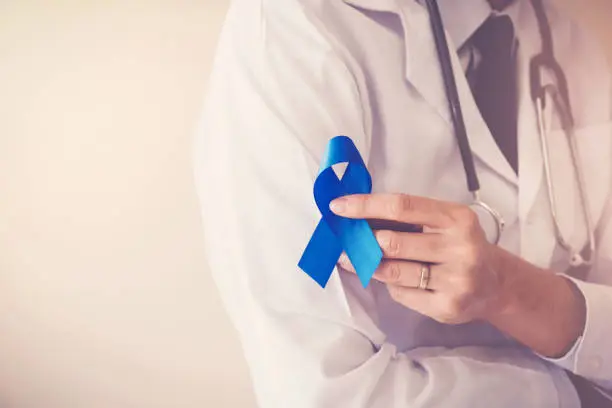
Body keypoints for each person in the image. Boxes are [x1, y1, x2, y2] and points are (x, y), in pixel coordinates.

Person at [194, 0, 612, 406]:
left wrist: (514, 290)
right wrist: (575, 392)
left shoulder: (570, 41)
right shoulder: (295, 30)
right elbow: (324, 393)